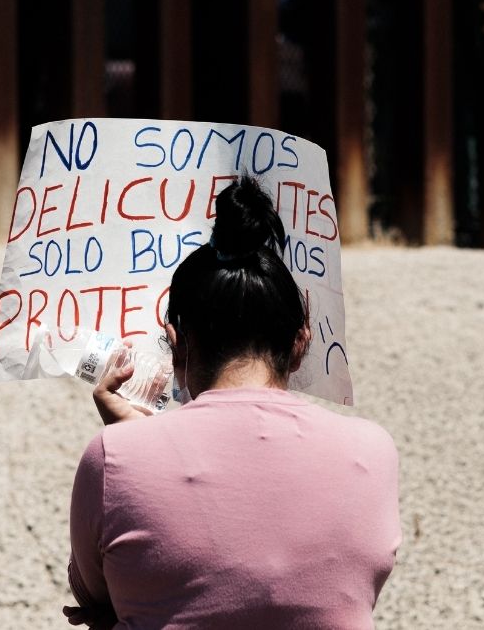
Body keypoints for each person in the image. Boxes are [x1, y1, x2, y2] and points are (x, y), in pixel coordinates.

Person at [63, 177, 401, 629]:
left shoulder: (112, 457)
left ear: (175, 342)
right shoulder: (373, 451)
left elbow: (94, 597)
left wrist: (132, 442)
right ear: (301, 341)